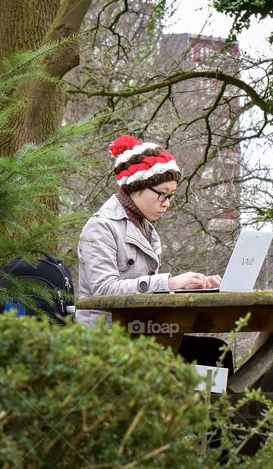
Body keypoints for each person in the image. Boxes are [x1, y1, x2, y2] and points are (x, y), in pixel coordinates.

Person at [76, 134, 232, 371]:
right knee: (212, 357)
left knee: (218, 354)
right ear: (137, 186)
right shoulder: (101, 226)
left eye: (171, 196)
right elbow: (103, 291)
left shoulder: (144, 226)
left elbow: (145, 288)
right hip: (108, 339)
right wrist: (168, 283)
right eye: (162, 194)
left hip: (141, 332)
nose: (167, 203)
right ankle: (196, 408)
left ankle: (204, 408)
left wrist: (194, 284)